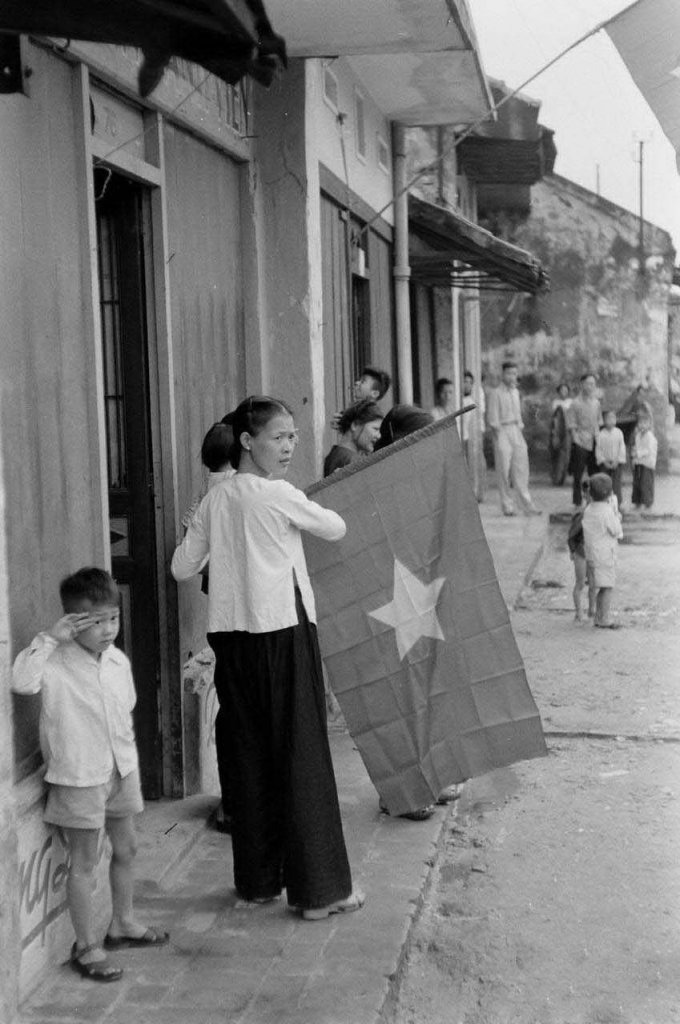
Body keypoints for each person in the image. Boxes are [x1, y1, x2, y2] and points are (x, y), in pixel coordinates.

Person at [171, 396, 364, 919]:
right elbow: (336, 527)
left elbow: (182, 568)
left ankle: (257, 882)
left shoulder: (216, 499)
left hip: (232, 642)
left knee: (249, 756)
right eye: (278, 437)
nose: (289, 446)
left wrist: (198, 522)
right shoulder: (277, 494)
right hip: (281, 632)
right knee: (302, 755)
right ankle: (321, 891)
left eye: (292, 436)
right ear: (247, 443)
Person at [11, 568, 168, 983]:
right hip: (79, 776)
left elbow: (126, 707)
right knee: (83, 862)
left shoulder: (117, 660)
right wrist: (49, 638)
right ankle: (87, 947)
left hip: (121, 768)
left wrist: (128, 762)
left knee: (127, 848)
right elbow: (21, 683)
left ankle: (123, 923)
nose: (107, 629)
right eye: (94, 621)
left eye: (112, 619)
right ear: (72, 620)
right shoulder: (54, 662)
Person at [486, 361, 541, 517]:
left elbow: (518, 414)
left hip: (516, 429)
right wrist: (498, 436)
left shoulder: (516, 392)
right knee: (503, 469)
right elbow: (492, 417)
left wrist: (519, 428)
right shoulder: (496, 393)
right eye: (509, 373)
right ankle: (507, 505)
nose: (512, 377)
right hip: (502, 430)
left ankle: (526, 504)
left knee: (522, 468)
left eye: (514, 373)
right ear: (502, 374)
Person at [582, 473, 623, 629]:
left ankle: (599, 617)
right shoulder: (607, 512)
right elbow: (616, 530)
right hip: (605, 556)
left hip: (591, 556)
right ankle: (603, 618)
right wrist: (617, 515)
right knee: (607, 587)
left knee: (600, 586)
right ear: (610, 493)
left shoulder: (589, 509)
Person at [566, 372, 602, 508]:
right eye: (588, 383)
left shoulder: (596, 403)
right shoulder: (575, 403)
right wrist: (576, 440)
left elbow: (599, 422)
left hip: (594, 440)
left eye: (593, 384)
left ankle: (594, 499)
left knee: (595, 473)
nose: (591, 386)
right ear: (582, 385)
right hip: (580, 441)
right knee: (578, 474)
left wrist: (599, 439)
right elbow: (572, 425)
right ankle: (577, 501)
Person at [323, 398, 383, 476]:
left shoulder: (338, 453)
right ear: (355, 425)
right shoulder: (351, 462)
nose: (379, 436)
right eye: (375, 429)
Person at [567, 481, 596, 623]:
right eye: (589, 493)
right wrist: (572, 551)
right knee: (580, 583)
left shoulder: (598, 511)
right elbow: (572, 535)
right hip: (581, 551)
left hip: (592, 551)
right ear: (585, 495)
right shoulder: (582, 514)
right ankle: (579, 613)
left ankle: (592, 611)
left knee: (593, 583)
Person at [595, 410, 626, 506]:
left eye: (613, 418)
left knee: (616, 484)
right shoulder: (601, 434)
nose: (611, 421)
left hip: (616, 462)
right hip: (605, 463)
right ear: (604, 421)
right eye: (608, 418)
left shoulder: (619, 433)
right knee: (604, 483)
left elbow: (622, 447)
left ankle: (618, 503)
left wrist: (618, 460)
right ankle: (604, 502)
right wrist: (603, 461)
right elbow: (598, 449)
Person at [631, 412, 658, 510]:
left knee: (646, 483)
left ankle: (648, 503)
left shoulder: (650, 436)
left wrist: (637, 453)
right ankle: (637, 502)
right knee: (637, 483)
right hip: (638, 463)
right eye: (640, 423)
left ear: (649, 424)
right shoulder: (638, 435)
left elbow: (648, 450)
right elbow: (636, 447)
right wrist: (634, 455)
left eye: (645, 423)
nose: (642, 425)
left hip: (647, 463)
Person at [549, 383, 572, 486]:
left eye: (565, 390)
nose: (564, 392)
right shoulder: (555, 403)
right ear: (558, 391)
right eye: (562, 390)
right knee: (556, 453)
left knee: (566, 454)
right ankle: (556, 478)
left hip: (568, 431)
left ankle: (563, 477)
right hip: (558, 431)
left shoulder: (571, 402)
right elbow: (555, 418)